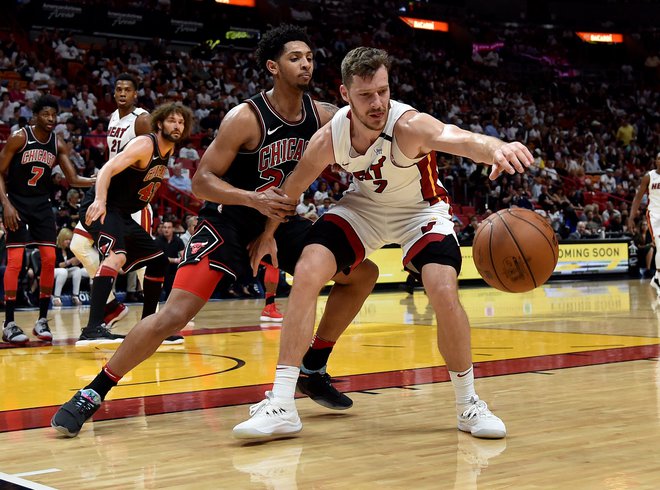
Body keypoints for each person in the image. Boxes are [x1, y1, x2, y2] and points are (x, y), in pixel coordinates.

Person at [51, 25, 378, 438]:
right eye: (296, 57)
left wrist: (271, 227)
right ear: (273, 67)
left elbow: (370, 135)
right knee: (174, 314)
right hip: (228, 219)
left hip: (278, 220)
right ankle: (93, 392)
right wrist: (253, 200)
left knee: (362, 274)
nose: (306, 64)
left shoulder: (325, 116)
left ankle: (313, 366)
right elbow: (203, 181)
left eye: (310, 57)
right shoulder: (246, 117)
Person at [234, 47, 534, 440]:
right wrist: (269, 234)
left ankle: (469, 404)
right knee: (308, 269)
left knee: (443, 290)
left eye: (383, 91)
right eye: (365, 95)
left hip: (420, 212)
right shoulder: (329, 138)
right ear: (345, 94)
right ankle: (282, 404)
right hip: (365, 209)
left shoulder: (409, 125)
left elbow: (458, 138)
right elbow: (291, 190)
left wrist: (496, 148)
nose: (377, 103)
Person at [71, 102, 192, 347]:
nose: (177, 126)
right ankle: (92, 328)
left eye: (181, 122)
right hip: (105, 207)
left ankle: (149, 327)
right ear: (159, 123)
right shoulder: (146, 144)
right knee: (116, 257)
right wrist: (100, 200)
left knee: (158, 260)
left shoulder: (168, 151)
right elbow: (107, 168)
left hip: (123, 213)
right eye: (172, 121)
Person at [0, 94, 95, 345]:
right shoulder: (20, 137)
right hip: (17, 203)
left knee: (50, 259)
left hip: (42, 205)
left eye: (54, 114)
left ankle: (42, 320)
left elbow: (73, 179)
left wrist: (102, 179)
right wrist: (6, 204)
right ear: (35, 116)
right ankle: (9, 323)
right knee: (15, 261)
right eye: (46, 114)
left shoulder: (58, 143)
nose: (51, 119)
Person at [70, 73, 151, 329]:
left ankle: (157, 317)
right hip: (109, 194)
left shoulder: (142, 119)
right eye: (119, 89)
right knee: (78, 245)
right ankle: (112, 305)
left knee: (143, 262)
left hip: (131, 197)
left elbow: (153, 158)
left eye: (128, 89)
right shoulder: (114, 117)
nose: (122, 93)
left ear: (135, 93)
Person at [629, 152, 660, 292]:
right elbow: (637, 198)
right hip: (654, 214)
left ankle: (657, 277)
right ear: (655, 161)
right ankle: (658, 278)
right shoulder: (649, 177)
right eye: (659, 158)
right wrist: (631, 217)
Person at [52, 227, 89, 306]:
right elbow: (58, 264)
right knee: (63, 271)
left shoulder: (69, 249)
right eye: (66, 239)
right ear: (61, 239)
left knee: (77, 270)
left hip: (64, 271)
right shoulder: (55, 248)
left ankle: (75, 296)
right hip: (53, 271)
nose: (69, 241)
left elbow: (72, 264)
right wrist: (69, 261)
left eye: (70, 239)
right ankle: (56, 297)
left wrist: (77, 261)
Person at [154, 218, 184, 300]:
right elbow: (159, 257)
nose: (166, 229)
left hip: (173, 271)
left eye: (169, 227)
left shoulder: (178, 240)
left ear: (173, 229)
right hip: (160, 270)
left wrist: (182, 259)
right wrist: (175, 260)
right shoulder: (157, 241)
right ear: (162, 229)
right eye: (164, 227)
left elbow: (183, 254)